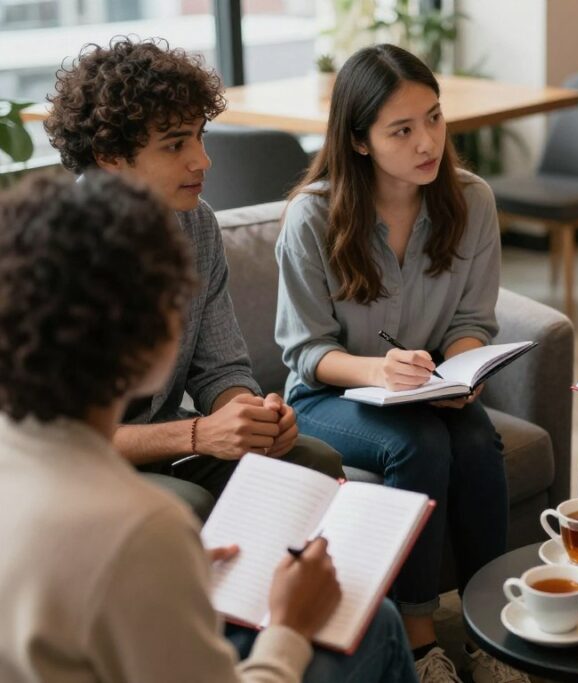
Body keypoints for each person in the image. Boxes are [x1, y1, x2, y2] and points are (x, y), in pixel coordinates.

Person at [0, 172, 416, 683]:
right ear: (154, 335)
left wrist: (247, 417)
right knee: (377, 626)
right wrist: (288, 625)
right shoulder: (140, 527)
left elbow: (223, 370)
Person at [275, 44, 521, 683]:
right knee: (418, 446)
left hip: (426, 386)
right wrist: (379, 372)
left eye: (434, 119)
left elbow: (471, 323)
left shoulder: (471, 201)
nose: (427, 142)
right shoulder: (312, 217)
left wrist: (459, 373)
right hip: (330, 396)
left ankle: (489, 632)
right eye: (402, 130)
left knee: (475, 438)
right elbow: (306, 352)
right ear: (359, 141)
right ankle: (419, 642)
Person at [43, 37, 343, 520]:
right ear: (109, 155)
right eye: (176, 144)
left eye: (200, 135)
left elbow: (220, 366)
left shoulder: (195, 224)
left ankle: (289, 594)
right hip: (74, 469)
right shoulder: (53, 253)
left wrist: (251, 416)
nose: (203, 160)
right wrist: (200, 435)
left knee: (314, 462)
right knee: (188, 504)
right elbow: (62, 439)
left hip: (166, 442)